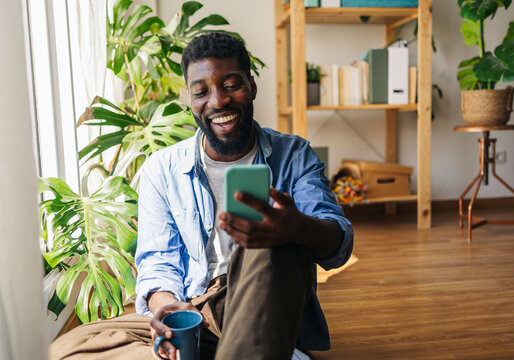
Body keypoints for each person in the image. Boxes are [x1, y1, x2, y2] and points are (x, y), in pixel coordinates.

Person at [49, 32, 353, 360]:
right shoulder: (162, 168)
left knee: (272, 239)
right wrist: (166, 307)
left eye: (231, 84)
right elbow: (157, 260)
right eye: (202, 91)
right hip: (193, 312)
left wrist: (297, 228)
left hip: (261, 307)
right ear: (190, 99)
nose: (218, 101)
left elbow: (337, 245)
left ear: (252, 86)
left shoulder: (294, 155)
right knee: (69, 347)